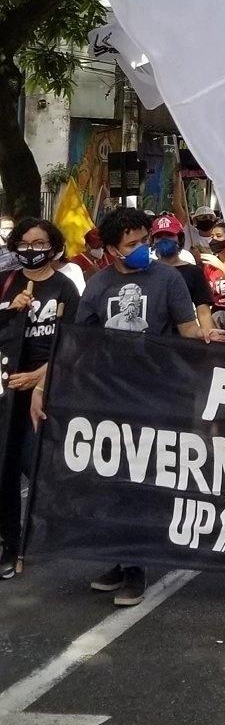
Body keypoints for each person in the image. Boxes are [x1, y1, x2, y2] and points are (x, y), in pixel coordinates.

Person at [76, 207, 225, 606]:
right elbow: (80, 342)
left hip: (155, 396)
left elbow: (187, 330)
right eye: (132, 244)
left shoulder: (168, 279)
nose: (143, 248)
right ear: (111, 249)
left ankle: (136, 566)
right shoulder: (97, 286)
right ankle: (118, 558)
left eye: (144, 240)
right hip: (109, 398)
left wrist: (206, 335)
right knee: (110, 482)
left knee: (141, 483)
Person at [0, 217, 80, 578]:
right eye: (25, 244)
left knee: (40, 466)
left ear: (53, 246)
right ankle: (10, 546)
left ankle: (48, 536)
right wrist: (10, 309)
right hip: (6, 388)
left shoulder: (65, 288)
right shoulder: (7, 283)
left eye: (39, 244)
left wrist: (39, 376)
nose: (32, 251)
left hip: (46, 388)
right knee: (5, 468)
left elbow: (73, 343)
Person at [150, 214, 214, 336]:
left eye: (169, 235)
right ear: (153, 240)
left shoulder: (194, 272)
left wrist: (209, 337)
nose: (164, 239)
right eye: (159, 236)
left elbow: (203, 311)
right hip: (154, 339)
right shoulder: (147, 270)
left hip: (184, 339)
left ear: (179, 238)